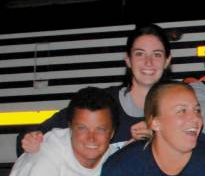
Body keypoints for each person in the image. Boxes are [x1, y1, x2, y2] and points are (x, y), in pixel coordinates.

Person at [28, 24, 172, 144]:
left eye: (157, 54)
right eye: (140, 54)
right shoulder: (103, 102)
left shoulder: (180, 106)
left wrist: (160, 138)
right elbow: (37, 134)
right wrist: (31, 140)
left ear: (167, 60)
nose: (148, 62)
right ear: (128, 59)